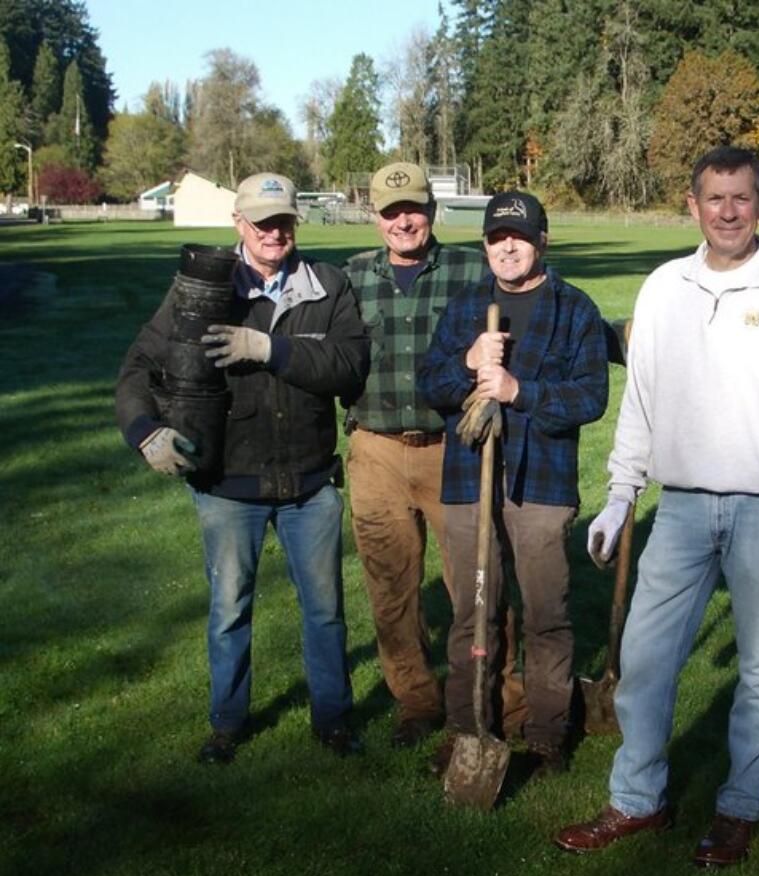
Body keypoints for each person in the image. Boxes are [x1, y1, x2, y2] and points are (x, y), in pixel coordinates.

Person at [554, 146, 759, 867]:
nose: (727, 212)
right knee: (646, 658)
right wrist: (622, 494)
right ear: (692, 205)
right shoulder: (664, 288)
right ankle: (637, 798)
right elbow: (644, 401)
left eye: (741, 198)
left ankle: (738, 808)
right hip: (682, 506)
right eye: (713, 199)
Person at [116, 172, 370, 763]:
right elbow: (138, 369)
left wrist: (271, 349)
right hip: (228, 485)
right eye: (262, 223)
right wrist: (144, 431)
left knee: (326, 611)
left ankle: (333, 720)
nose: (274, 233)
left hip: (310, 484)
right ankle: (227, 724)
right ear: (239, 224)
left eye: (283, 221)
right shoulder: (200, 289)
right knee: (230, 610)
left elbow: (348, 364)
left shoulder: (326, 286)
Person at [417, 191, 608, 775]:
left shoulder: (575, 309)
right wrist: (468, 362)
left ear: (542, 241)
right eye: (497, 237)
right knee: (473, 613)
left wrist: (518, 393)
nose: (508, 246)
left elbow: (590, 397)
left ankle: (547, 731)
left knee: (545, 613)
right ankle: (468, 726)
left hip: (541, 487)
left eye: (519, 237)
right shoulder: (466, 307)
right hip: (470, 484)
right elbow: (432, 385)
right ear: (484, 245)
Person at [343, 161, 512, 749]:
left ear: (431, 210)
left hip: (454, 448)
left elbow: (543, 306)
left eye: (413, 208)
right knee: (391, 588)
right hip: (376, 451)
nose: (404, 220)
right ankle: (415, 699)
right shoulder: (352, 278)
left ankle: (501, 696)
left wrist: (615, 333)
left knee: (478, 580)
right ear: (376, 217)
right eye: (391, 212)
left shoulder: (471, 268)